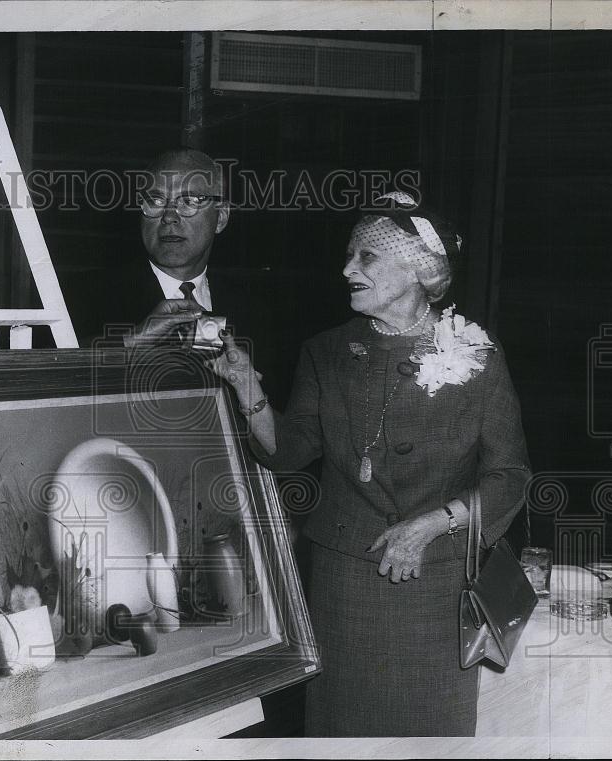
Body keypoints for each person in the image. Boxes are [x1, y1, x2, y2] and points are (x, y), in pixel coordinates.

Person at [209, 191, 531, 737]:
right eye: (348, 255)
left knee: (425, 739)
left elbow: (510, 476)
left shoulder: (477, 354)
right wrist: (246, 388)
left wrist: (435, 522)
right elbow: (287, 452)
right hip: (344, 584)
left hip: (435, 585)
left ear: (418, 270)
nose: (346, 269)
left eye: (366, 257)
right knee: (342, 731)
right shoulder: (326, 351)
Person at [76, 148, 295, 405]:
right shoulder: (86, 294)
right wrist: (129, 341)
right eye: (156, 201)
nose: (169, 216)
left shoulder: (257, 310)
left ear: (221, 217)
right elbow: (46, 372)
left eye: (189, 202)